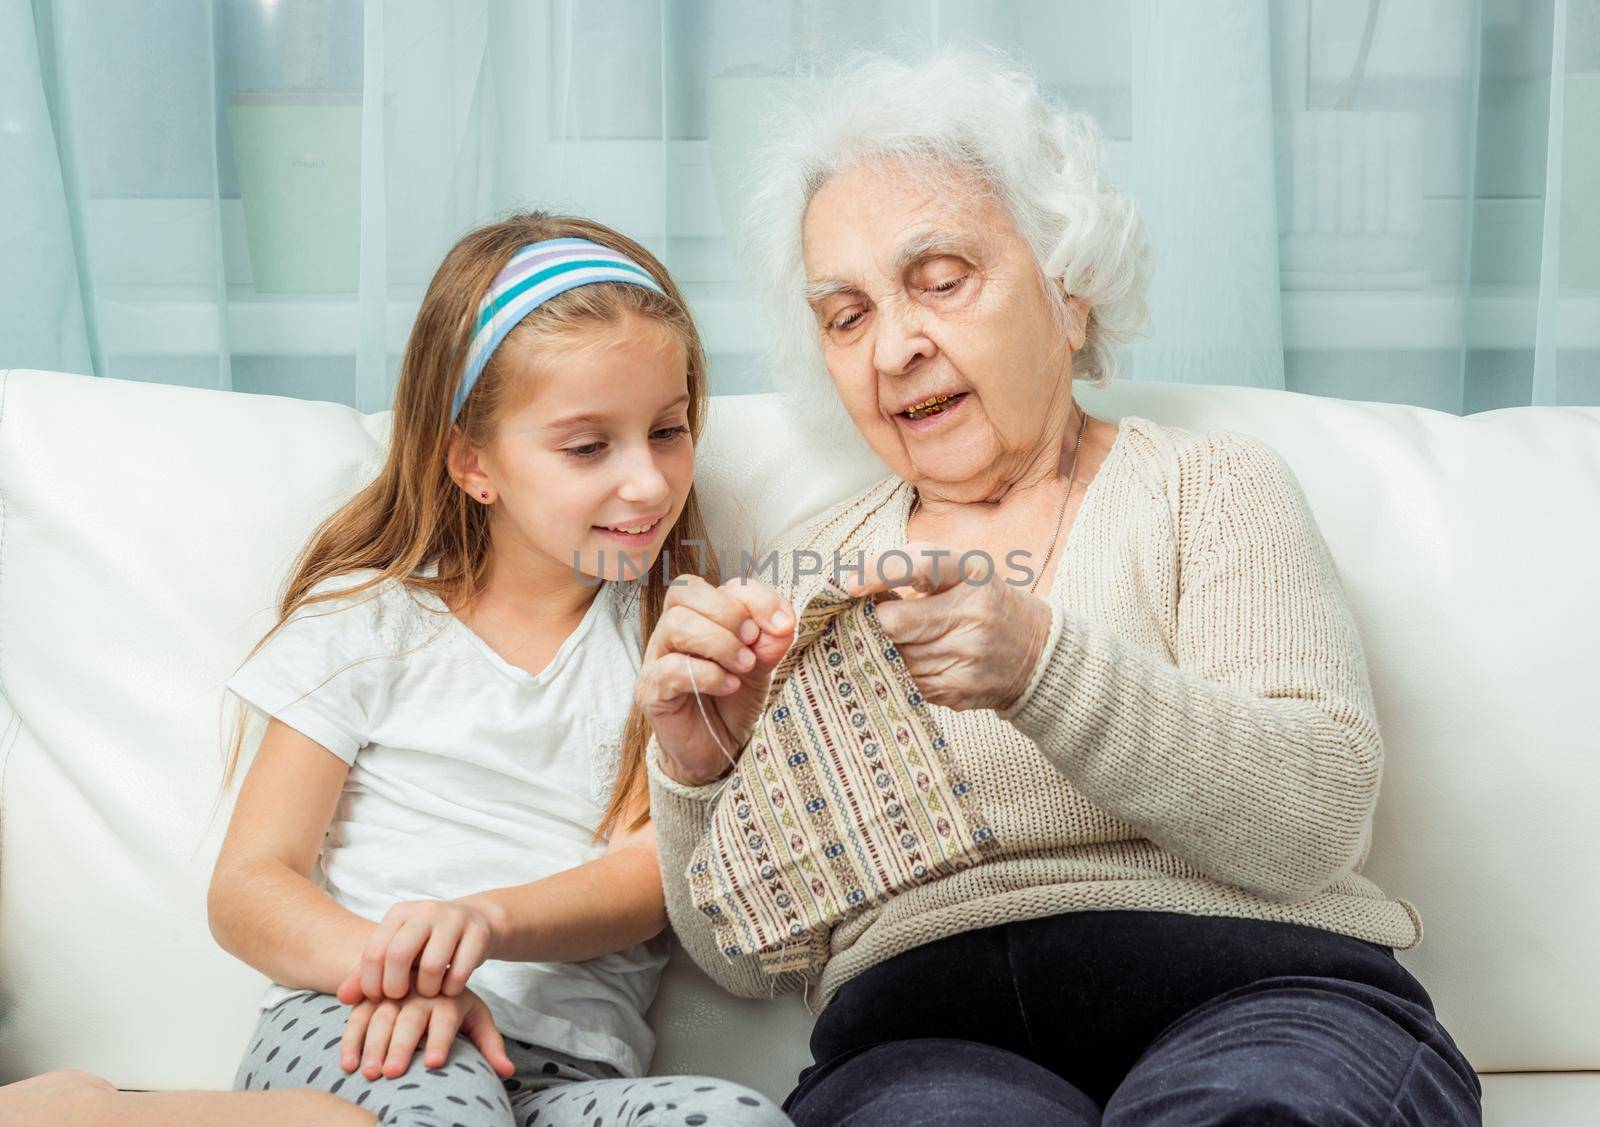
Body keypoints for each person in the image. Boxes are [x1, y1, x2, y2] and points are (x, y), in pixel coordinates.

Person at [634, 49, 1482, 1125]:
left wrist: (1043, 663)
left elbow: (1316, 814)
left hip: (1259, 996)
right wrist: (699, 761)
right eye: (845, 316)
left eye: (940, 281)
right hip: (919, 1036)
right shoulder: (810, 566)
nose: (895, 345)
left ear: (1068, 291)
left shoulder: (1207, 487)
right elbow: (751, 954)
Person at [4, 213, 790, 1127]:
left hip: (566, 1078)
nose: (650, 482)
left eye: (668, 431)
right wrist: (401, 970)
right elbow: (252, 884)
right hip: (360, 1022)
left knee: (739, 1118)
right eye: (588, 446)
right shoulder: (370, 623)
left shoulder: (674, 637)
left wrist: (483, 921)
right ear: (473, 462)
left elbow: (647, 878)